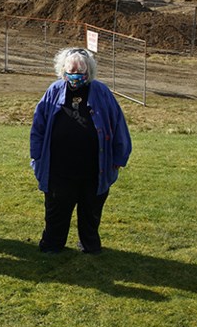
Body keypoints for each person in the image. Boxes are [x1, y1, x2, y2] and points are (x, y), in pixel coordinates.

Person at [30, 48, 131, 253]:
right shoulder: (54, 90)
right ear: (63, 71)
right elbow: (38, 126)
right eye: (71, 70)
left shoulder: (102, 92)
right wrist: (37, 154)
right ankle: (52, 244)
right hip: (58, 169)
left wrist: (120, 156)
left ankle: (90, 244)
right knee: (56, 211)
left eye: (80, 71)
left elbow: (118, 125)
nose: (75, 75)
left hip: (94, 169)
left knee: (91, 211)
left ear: (89, 72)